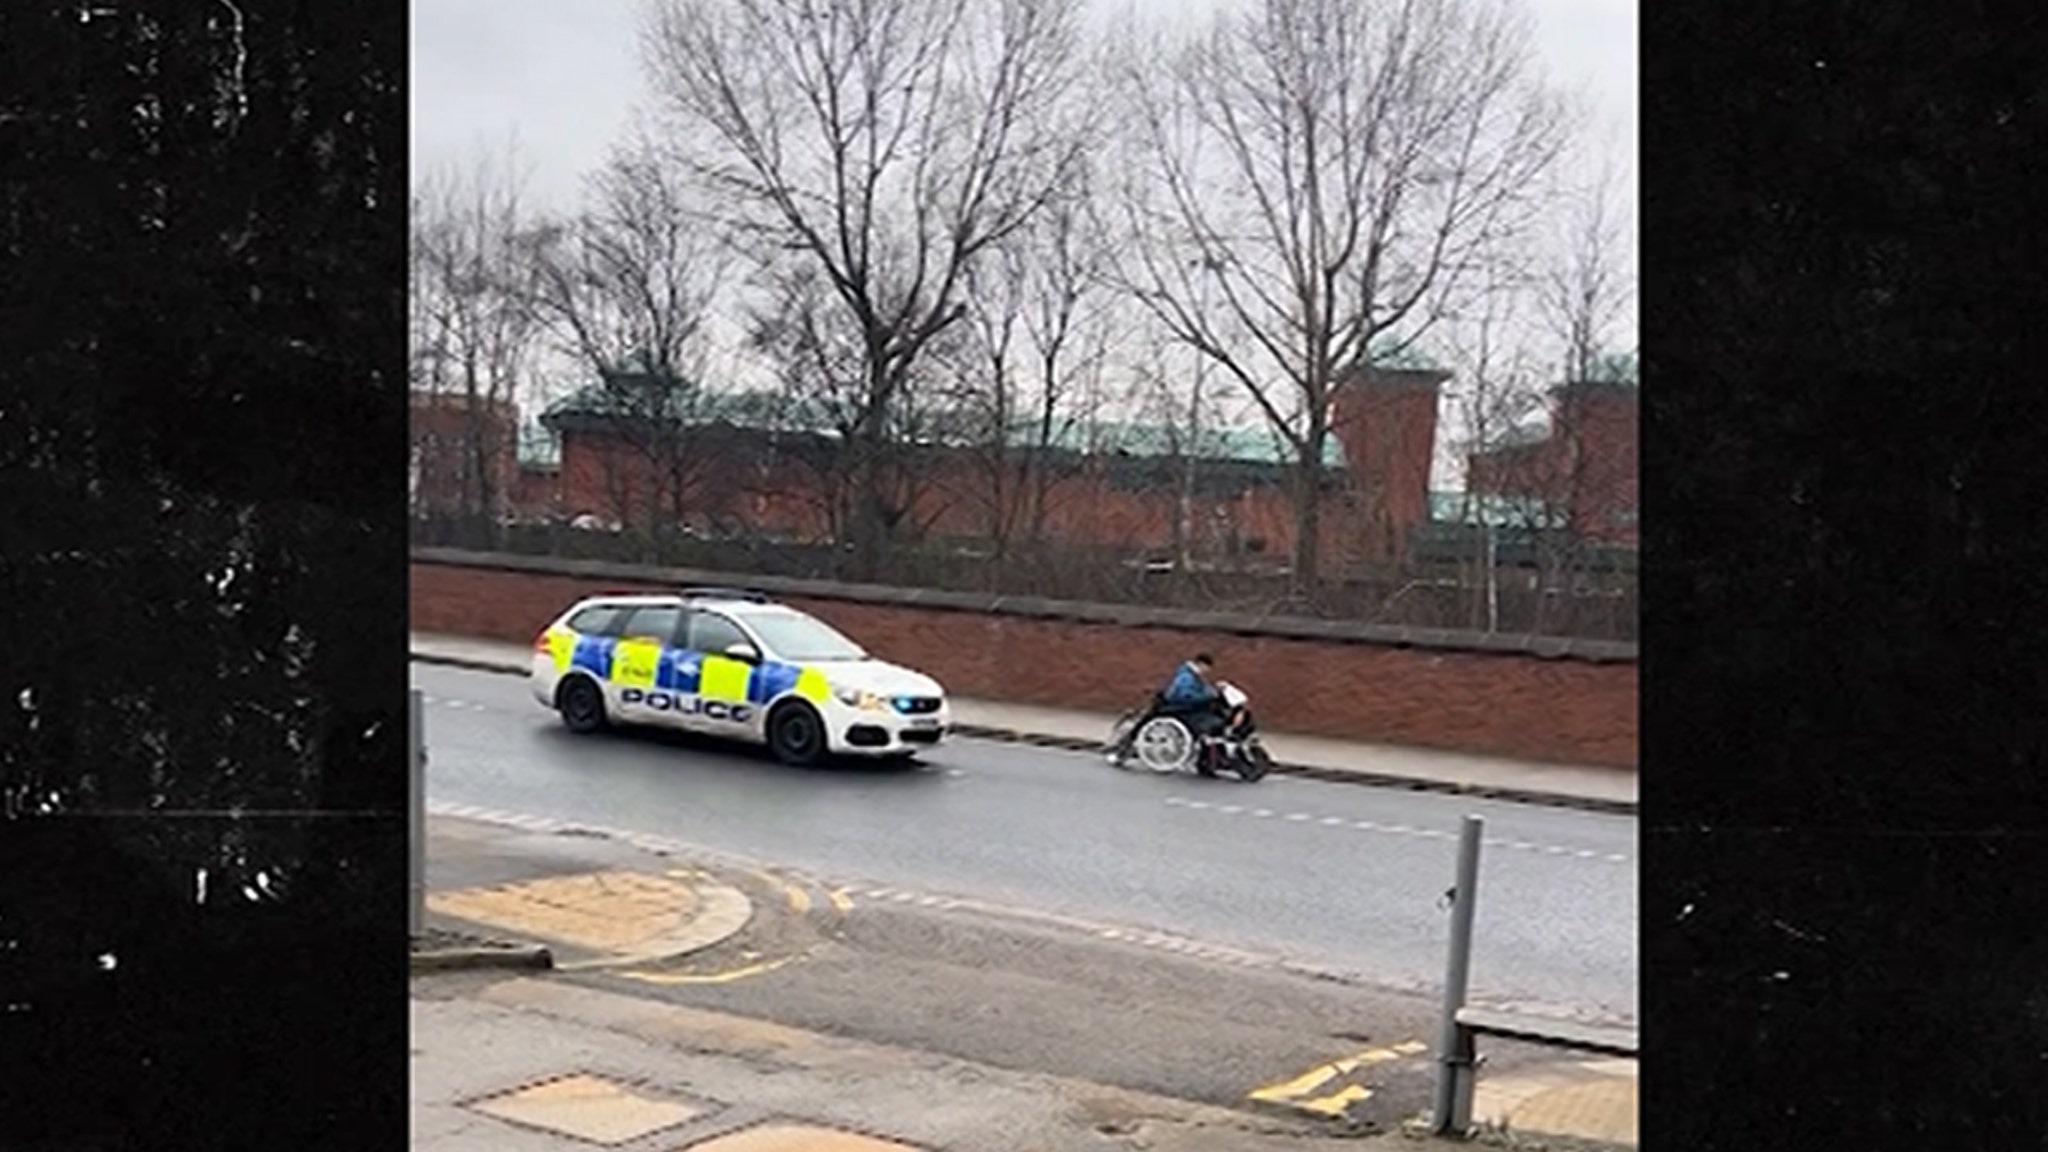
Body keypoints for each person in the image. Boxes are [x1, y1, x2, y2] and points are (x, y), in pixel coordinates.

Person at [1110, 652, 1225, 766]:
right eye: (1206, 668)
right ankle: (1122, 751)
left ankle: (1212, 759)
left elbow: (1201, 691)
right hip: (1175, 708)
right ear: (1200, 664)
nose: (1207, 671)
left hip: (1183, 708)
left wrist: (1213, 691)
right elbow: (1182, 695)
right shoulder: (1186, 676)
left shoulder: (1195, 676)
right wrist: (1206, 697)